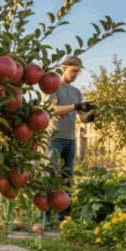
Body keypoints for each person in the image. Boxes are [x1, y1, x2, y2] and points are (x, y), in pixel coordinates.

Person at [44, 56, 96, 227]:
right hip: (54, 139)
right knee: (50, 175)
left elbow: (81, 118)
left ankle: (63, 216)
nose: (75, 75)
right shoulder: (53, 87)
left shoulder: (76, 92)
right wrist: (76, 106)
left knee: (67, 177)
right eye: (73, 71)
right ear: (64, 67)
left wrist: (89, 117)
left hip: (70, 140)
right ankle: (45, 216)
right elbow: (53, 110)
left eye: (77, 72)